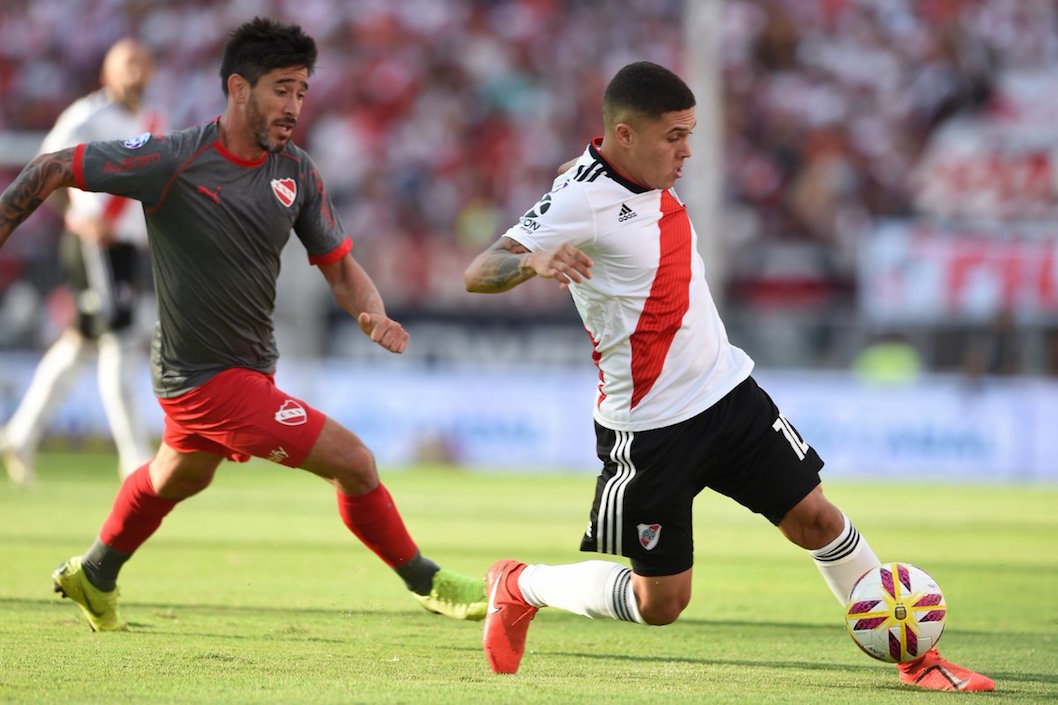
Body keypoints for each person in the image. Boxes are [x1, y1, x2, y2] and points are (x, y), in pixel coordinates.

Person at [464, 61, 993, 691]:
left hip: (729, 393)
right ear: (626, 135)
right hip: (651, 428)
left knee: (817, 519)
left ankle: (917, 658)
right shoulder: (580, 199)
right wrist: (534, 261)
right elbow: (480, 270)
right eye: (674, 137)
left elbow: (593, 172)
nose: (688, 150)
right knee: (662, 603)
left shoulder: (633, 169)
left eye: (690, 133)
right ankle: (521, 585)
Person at [0, 17, 485, 631]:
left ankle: (95, 575)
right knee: (355, 462)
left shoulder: (297, 173)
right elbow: (50, 168)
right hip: (204, 379)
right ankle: (429, 581)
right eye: (281, 89)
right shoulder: (173, 159)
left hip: (243, 365)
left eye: (302, 92)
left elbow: (340, 268)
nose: (294, 106)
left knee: (178, 476)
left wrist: (374, 312)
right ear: (238, 88)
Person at [1, 38, 159, 486]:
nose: (137, 73)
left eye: (143, 64)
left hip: (125, 248)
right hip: (94, 244)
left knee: (80, 343)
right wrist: (75, 216)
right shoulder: (87, 115)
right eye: (128, 64)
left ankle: (20, 433)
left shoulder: (149, 120)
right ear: (107, 73)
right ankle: (134, 458)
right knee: (120, 339)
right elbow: (42, 167)